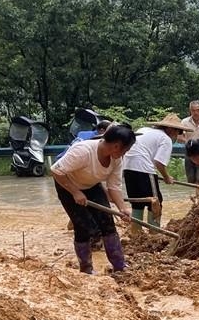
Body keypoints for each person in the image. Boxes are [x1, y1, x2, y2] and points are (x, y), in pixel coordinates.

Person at [50, 124, 136, 274]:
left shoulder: (116, 160)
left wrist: (122, 208)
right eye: (126, 150)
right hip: (67, 186)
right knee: (84, 227)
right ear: (116, 146)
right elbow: (56, 171)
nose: (125, 154)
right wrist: (75, 192)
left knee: (107, 223)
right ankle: (86, 269)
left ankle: (120, 266)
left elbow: (114, 186)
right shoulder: (83, 151)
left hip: (92, 186)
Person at [122, 114, 188, 234]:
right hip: (143, 169)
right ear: (170, 129)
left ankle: (135, 234)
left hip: (127, 168)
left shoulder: (143, 130)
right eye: (178, 131)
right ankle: (154, 234)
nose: (177, 135)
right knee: (156, 201)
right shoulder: (165, 139)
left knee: (137, 202)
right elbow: (159, 163)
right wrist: (167, 177)